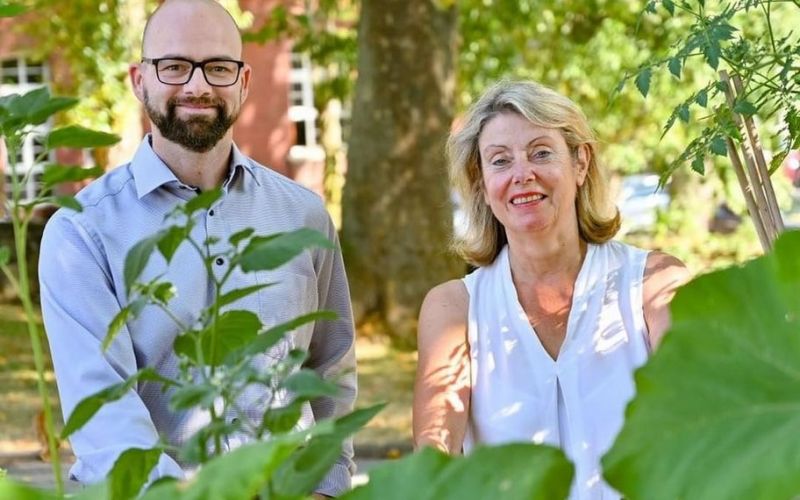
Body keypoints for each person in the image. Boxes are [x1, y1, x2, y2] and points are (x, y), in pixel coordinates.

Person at [38, 1, 356, 497]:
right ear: (139, 80)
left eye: (218, 67)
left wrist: (325, 487)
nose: (198, 85)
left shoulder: (303, 217)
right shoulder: (81, 232)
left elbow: (331, 370)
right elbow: (106, 419)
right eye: (174, 66)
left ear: (244, 81)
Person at [412, 80, 690, 499]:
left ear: (580, 163)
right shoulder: (454, 308)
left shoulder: (655, 285)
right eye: (500, 161)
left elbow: (702, 425)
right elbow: (434, 462)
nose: (523, 175)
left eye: (541, 153)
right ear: (481, 183)